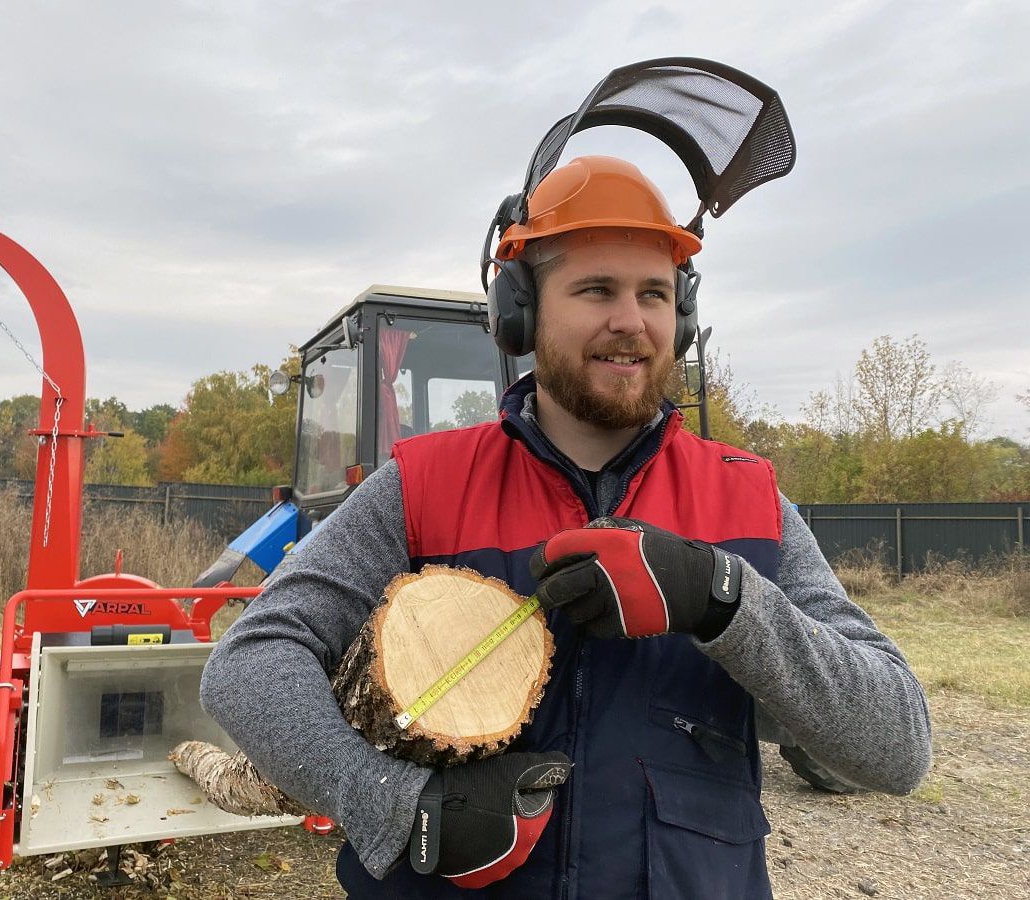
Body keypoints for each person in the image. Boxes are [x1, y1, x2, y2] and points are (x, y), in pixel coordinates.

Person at [200, 155, 933, 899]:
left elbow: (899, 745)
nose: (630, 319)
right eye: (596, 289)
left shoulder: (749, 500)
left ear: (679, 317)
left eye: (654, 292)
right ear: (520, 312)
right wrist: (399, 806)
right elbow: (248, 662)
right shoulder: (422, 486)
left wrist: (724, 599)